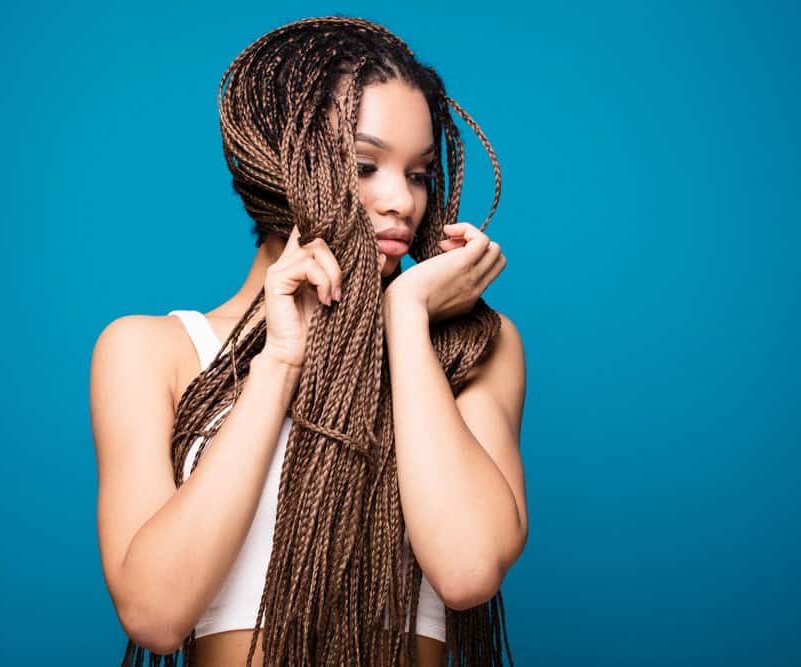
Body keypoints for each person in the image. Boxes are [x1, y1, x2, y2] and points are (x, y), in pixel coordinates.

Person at [90, 16, 528, 666]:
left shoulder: (471, 347)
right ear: (282, 158)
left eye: (418, 174)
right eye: (365, 164)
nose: (401, 201)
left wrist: (406, 315)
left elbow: (467, 568)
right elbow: (154, 612)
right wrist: (279, 363)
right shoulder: (152, 350)